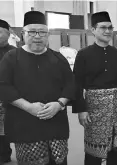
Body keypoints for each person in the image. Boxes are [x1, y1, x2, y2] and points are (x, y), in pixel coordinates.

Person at [0, 11, 75, 165]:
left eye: (42, 32)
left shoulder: (58, 58)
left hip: (56, 123)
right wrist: (29, 107)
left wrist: (59, 104)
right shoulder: (11, 58)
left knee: (59, 161)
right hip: (25, 124)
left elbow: (71, 84)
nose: (37, 36)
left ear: (48, 35)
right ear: (23, 34)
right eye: (32, 31)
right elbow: (3, 87)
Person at [72, 11, 117, 165]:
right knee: (93, 149)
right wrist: (81, 109)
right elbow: (76, 84)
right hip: (94, 107)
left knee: (116, 147)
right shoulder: (83, 54)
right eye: (103, 28)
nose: (107, 31)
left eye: (110, 27)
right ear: (93, 30)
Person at [0, 19, 15, 164]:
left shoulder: (14, 52)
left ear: (8, 33)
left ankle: (4, 154)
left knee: (5, 129)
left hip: (9, 99)